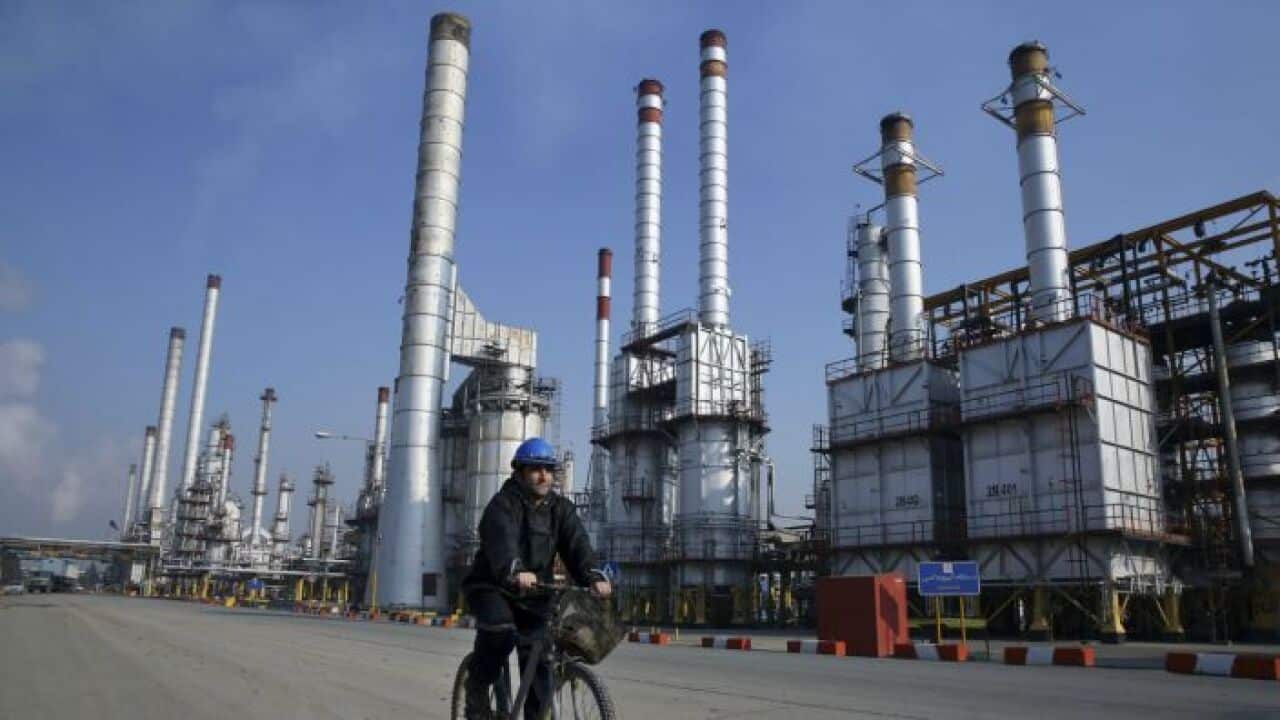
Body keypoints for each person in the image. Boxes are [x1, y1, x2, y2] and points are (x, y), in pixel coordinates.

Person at [462, 437, 611, 719]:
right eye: (535, 469)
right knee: (500, 631)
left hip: (535, 592)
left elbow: (577, 544)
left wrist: (592, 575)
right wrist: (515, 569)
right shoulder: (503, 505)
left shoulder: (561, 509)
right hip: (493, 585)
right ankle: (477, 687)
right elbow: (501, 541)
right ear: (519, 472)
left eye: (548, 470)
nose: (543, 476)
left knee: (542, 658)